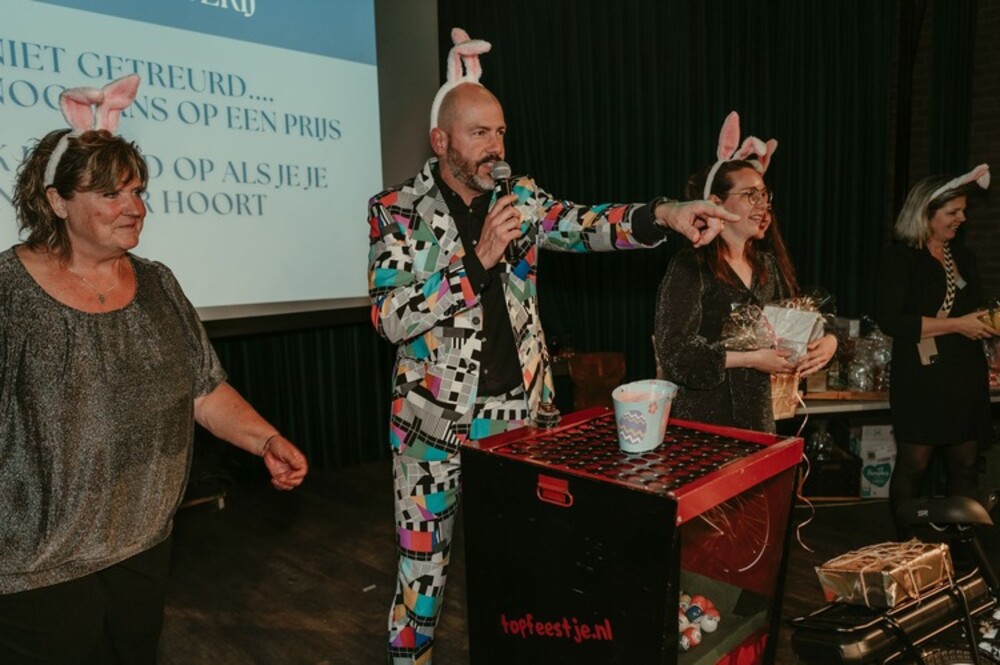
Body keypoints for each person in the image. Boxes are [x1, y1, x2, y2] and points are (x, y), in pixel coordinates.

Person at [367, 28, 738, 664]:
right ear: (441, 141)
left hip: (518, 421)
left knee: (527, 571)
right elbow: (389, 317)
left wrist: (663, 214)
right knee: (421, 579)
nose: (495, 146)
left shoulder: (520, 199)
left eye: (501, 132)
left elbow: (588, 224)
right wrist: (478, 260)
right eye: (479, 133)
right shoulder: (396, 210)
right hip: (431, 428)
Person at [0, 75, 309, 664]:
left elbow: (203, 389)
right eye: (111, 194)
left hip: (142, 542)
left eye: (138, 191)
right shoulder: (9, 293)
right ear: (57, 202)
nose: (135, 208)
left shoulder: (158, 282)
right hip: (36, 565)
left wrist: (265, 439)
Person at [654, 112, 837, 433]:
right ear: (715, 202)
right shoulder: (690, 266)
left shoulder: (768, 267)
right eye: (750, 195)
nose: (762, 204)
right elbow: (675, 355)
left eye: (764, 194)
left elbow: (798, 324)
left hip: (758, 422)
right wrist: (750, 358)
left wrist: (828, 340)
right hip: (702, 427)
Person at [875, 164, 994, 538]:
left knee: (966, 463)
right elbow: (893, 321)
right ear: (925, 214)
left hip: (964, 372)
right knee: (914, 464)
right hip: (921, 375)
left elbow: (974, 310)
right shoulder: (900, 259)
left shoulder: (964, 257)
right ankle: (906, 546)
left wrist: (989, 322)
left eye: (963, 211)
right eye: (952, 212)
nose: (962, 219)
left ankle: (961, 545)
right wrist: (959, 325)